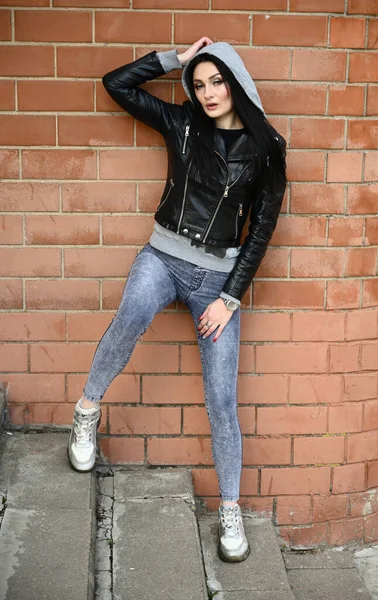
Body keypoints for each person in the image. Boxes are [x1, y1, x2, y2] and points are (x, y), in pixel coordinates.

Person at [67, 37, 287, 563]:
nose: (208, 92)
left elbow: (261, 233)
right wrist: (176, 60)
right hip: (162, 258)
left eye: (217, 80)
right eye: (199, 82)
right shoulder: (182, 123)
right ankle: (86, 411)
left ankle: (230, 508)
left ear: (236, 81)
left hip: (218, 283)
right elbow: (116, 84)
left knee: (221, 398)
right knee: (131, 317)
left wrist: (229, 299)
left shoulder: (267, 148)